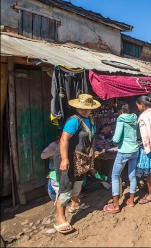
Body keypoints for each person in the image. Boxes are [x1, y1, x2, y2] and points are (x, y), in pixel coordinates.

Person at [53, 94, 100, 234]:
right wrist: (64, 159)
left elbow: (92, 138)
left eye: (87, 108)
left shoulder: (91, 120)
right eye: (82, 108)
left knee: (78, 183)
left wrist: (92, 152)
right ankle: (60, 218)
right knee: (66, 186)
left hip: (81, 157)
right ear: (77, 107)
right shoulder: (74, 121)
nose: (85, 110)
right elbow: (64, 140)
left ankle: (74, 204)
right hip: (69, 157)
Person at [103, 103, 140, 213]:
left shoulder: (121, 119)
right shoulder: (135, 118)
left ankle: (115, 205)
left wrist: (114, 140)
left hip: (124, 151)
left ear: (121, 111)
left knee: (115, 176)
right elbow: (138, 136)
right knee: (132, 175)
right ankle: (132, 201)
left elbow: (116, 138)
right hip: (135, 150)